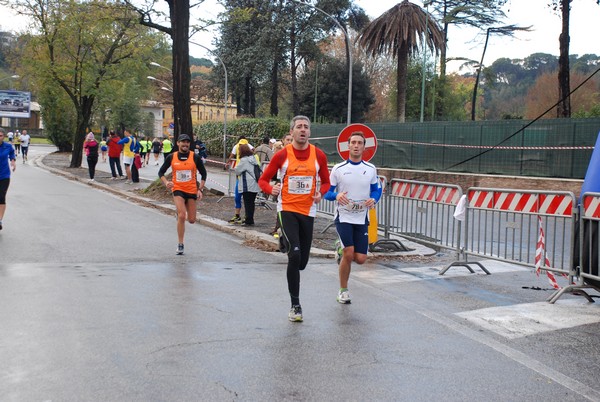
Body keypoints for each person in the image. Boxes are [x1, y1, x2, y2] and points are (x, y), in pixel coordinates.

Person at [258, 115, 330, 322]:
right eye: (299, 127)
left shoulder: (319, 156)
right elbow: (263, 180)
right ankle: (295, 305)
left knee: (302, 262)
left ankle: (289, 244)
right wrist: (272, 188)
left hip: (308, 211)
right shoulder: (282, 155)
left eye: (306, 127)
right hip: (287, 208)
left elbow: (325, 182)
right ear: (292, 132)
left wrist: (320, 194)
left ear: (309, 132)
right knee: (295, 255)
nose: (303, 130)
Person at [324, 132, 382, 304]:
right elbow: (326, 192)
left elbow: (376, 189)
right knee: (349, 254)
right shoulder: (338, 169)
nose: (356, 146)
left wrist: (374, 199)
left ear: (364, 147)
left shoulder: (371, 169)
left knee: (361, 259)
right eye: (353, 143)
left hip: (361, 217)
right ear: (348, 146)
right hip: (344, 217)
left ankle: (339, 248)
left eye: (360, 143)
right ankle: (343, 290)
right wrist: (336, 195)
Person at [158, 134, 207, 255]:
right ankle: (180, 244)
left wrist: (200, 189)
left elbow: (204, 173)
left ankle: (181, 213)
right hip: (178, 189)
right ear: (178, 143)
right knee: (181, 216)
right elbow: (161, 172)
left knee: (191, 220)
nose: (185, 144)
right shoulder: (172, 157)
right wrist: (166, 182)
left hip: (191, 190)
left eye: (187, 142)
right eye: (182, 142)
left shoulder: (194, 157)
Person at [226, 136, 253, 224]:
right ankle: (238, 215)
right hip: (240, 178)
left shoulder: (250, 157)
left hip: (247, 181)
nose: (240, 147)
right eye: (240, 145)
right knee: (238, 197)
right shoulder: (236, 147)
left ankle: (248, 218)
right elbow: (232, 156)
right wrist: (228, 162)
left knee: (247, 200)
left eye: (242, 146)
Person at [234, 143, 260, 226]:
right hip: (255, 183)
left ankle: (248, 220)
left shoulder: (244, 160)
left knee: (247, 202)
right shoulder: (253, 158)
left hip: (247, 185)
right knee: (251, 203)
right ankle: (250, 218)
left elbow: (237, 170)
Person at [0, 128, 17, 231]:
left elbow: (11, 153)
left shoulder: (7, 146)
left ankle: (0, 220)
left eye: (1, 135)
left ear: (4, 137)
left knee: (1, 197)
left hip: (4, 176)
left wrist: (13, 161)